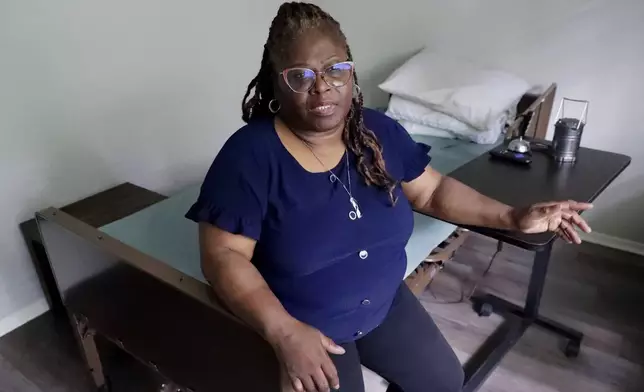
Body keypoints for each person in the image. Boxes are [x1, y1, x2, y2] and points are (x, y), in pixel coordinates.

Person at [185, 2, 592, 392]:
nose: (322, 86)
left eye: (335, 69)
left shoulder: (377, 132)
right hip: (305, 320)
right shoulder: (250, 156)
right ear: (276, 80)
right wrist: (285, 332)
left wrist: (513, 217)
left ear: (351, 72)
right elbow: (223, 257)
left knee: (442, 382)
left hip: (383, 301)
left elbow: (432, 191)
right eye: (301, 76)